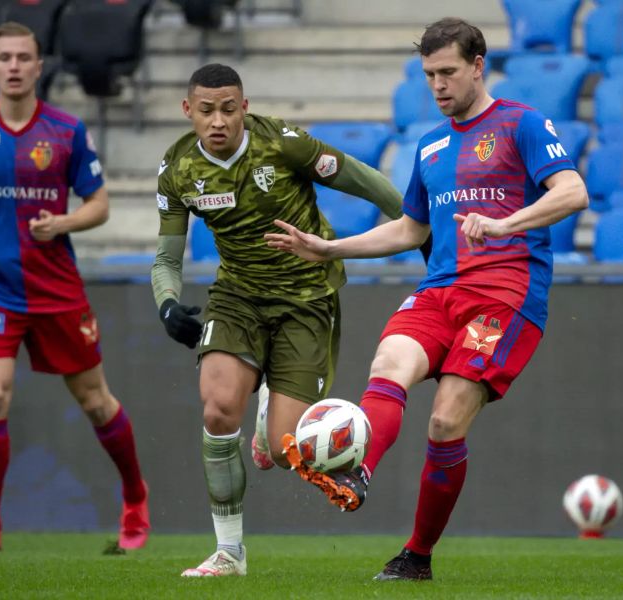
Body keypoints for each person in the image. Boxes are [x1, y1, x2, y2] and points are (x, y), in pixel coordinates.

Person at [266, 17, 589, 581]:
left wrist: (505, 224)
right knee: (388, 365)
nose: (438, 85)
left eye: (448, 73)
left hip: (505, 297)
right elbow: (411, 229)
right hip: (440, 291)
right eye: (429, 75)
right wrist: (329, 247)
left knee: (443, 423)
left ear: (477, 66)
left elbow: (573, 191)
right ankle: (355, 469)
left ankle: (416, 556)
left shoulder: (523, 123)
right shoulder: (430, 143)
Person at [151, 63, 405, 577]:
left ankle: (272, 408)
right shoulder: (177, 169)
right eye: (206, 111)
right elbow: (166, 259)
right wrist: (168, 304)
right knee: (219, 410)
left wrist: (417, 223)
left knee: (293, 453)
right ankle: (229, 553)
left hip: (306, 298)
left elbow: (364, 179)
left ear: (244, 107)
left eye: (228, 109)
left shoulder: (282, 144)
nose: (218, 121)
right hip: (238, 295)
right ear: (188, 111)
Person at [0, 21, 150, 553]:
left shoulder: (66, 131)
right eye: (2, 57)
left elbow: (99, 204)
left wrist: (63, 224)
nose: (12, 66)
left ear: (38, 65)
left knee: (95, 402)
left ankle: (134, 496)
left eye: (22, 57)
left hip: (55, 287)